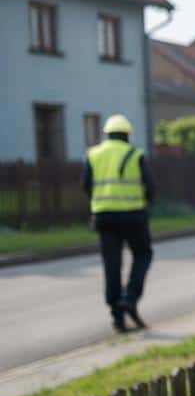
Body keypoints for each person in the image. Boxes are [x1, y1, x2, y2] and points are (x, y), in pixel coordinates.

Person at [83, 113, 154, 333]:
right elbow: (150, 185)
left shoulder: (93, 154)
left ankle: (117, 315)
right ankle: (129, 297)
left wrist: (100, 202)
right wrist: (146, 204)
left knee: (111, 264)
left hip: (105, 216)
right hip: (134, 215)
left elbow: (86, 185)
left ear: (107, 134)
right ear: (127, 135)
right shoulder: (136, 154)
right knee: (143, 254)